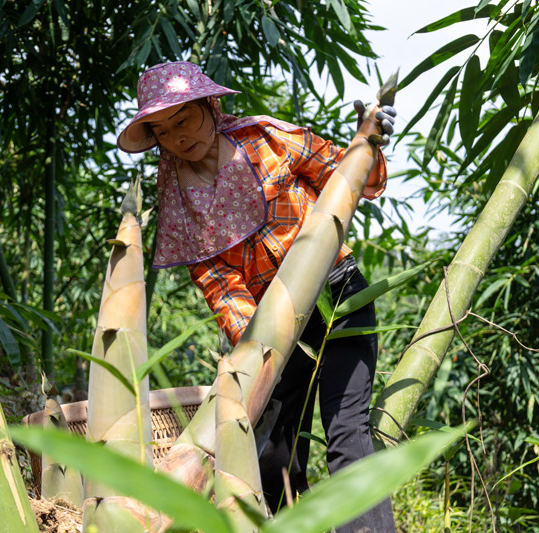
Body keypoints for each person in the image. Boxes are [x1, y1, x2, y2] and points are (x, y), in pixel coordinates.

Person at [117, 61, 396, 532]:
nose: (177, 137)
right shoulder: (179, 202)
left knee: (347, 434)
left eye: (182, 119)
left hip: (339, 297)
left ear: (210, 105)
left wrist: (367, 141)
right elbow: (220, 286)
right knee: (274, 454)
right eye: (162, 131)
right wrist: (257, 352)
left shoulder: (266, 138)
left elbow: (351, 179)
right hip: (274, 331)